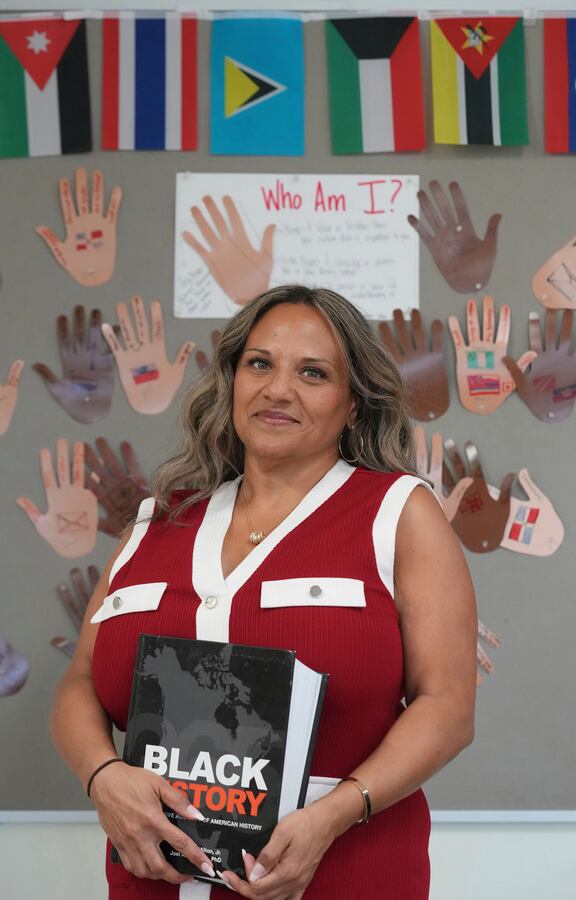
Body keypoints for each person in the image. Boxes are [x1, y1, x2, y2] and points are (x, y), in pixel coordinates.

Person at [50, 284, 477, 900]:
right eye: (260, 364)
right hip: (150, 882)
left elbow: (447, 707)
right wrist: (102, 776)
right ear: (231, 381)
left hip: (342, 876)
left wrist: (333, 814)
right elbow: (80, 684)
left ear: (354, 403)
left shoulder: (397, 514)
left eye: (313, 372)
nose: (279, 389)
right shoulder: (154, 521)